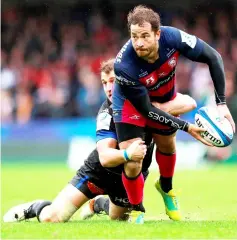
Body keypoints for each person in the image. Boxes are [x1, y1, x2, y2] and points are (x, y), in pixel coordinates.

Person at [3, 59, 196, 224]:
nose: (109, 88)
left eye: (113, 81)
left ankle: (99, 204)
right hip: (100, 172)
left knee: (118, 219)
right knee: (52, 218)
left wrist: (154, 109)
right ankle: (36, 207)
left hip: (130, 176)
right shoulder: (107, 112)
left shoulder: (146, 99)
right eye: (104, 83)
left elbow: (189, 102)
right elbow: (105, 157)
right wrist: (129, 154)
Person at [112, 5, 235, 222]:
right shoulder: (124, 65)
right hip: (131, 105)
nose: (138, 43)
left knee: (167, 145)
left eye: (144, 36)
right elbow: (147, 111)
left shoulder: (174, 37)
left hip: (165, 98)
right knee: (133, 161)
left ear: (158, 34)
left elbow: (213, 57)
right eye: (134, 36)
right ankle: (138, 208)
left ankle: (166, 189)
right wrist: (187, 127)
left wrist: (221, 104)